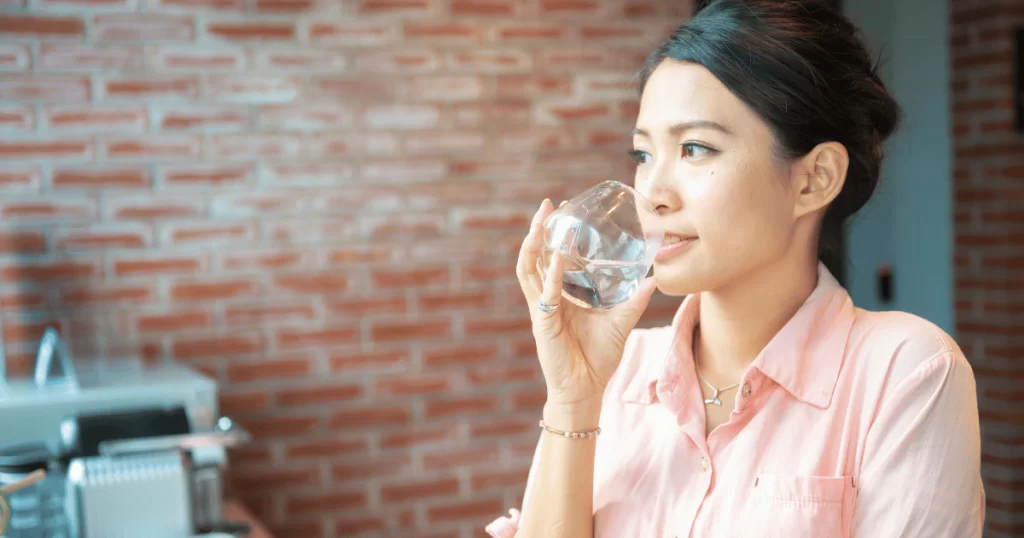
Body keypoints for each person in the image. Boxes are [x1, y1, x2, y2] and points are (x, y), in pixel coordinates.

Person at [486, 0, 986, 536]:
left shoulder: (907, 373)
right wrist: (572, 399)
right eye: (643, 155)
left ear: (814, 179)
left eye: (695, 148)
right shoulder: (619, 370)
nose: (650, 193)